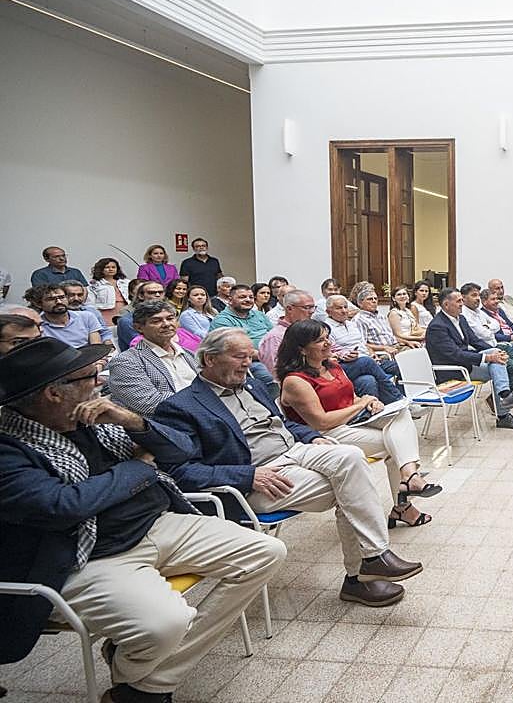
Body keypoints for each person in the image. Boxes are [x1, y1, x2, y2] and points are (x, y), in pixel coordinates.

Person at [0, 337, 286, 702]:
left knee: (267, 551)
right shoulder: (10, 449)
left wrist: (130, 419)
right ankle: (146, 674)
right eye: (89, 376)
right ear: (53, 394)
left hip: (157, 523)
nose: (101, 382)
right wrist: (138, 468)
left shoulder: (97, 421)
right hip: (89, 555)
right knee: (165, 622)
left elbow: (181, 450)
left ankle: (144, 681)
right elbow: (63, 505)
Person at [151, 328, 422, 607]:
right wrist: (249, 476)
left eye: (249, 356)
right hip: (258, 475)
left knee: (351, 456)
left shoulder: (253, 386)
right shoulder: (181, 407)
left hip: (294, 450)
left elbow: (283, 423)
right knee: (354, 489)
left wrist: (313, 437)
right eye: (238, 357)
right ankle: (363, 572)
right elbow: (181, 472)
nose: (247, 363)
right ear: (209, 359)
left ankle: (371, 563)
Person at [276, 320, 440, 528]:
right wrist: (362, 402)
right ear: (301, 349)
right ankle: (406, 496)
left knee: (400, 414)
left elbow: (351, 396)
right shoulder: (295, 381)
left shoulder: (333, 367)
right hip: (324, 435)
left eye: (327, 338)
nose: (327, 343)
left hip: (354, 421)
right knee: (396, 444)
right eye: (319, 341)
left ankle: (409, 478)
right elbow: (321, 420)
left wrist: (371, 402)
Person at [426, 287, 513, 429]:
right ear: (446, 305)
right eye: (458, 301)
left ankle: (504, 399)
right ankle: (504, 406)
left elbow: (475, 341)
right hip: (453, 371)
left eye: (462, 300)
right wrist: (487, 357)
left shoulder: (460, 318)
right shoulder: (437, 326)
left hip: (465, 364)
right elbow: (455, 354)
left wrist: (496, 352)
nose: (462, 304)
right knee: (496, 364)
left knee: (497, 360)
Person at [108, 301, 199, 416]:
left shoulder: (188, 354)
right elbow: (149, 403)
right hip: (165, 424)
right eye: (156, 321)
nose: (166, 324)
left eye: (170, 318)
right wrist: (202, 399)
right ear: (139, 327)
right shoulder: (125, 361)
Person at [324, 295, 404, 401]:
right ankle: (399, 399)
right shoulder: (326, 328)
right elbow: (329, 352)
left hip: (368, 360)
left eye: (345, 307)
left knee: (398, 367)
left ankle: (392, 405)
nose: (344, 311)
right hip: (346, 364)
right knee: (367, 363)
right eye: (339, 308)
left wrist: (371, 352)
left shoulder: (351, 324)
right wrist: (344, 356)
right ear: (328, 312)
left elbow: (363, 343)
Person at [208, 284, 275, 384]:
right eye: (242, 297)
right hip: (247, 362)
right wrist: (267, 355)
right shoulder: (222, 320)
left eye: (251, 297)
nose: (248, 300)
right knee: (271, 377)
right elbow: (234, 350)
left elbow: (274, 336)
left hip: (272, 357)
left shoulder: (259, 315)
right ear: (230, 300)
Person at [29, 284, 103, 347]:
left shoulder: (87, 316)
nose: (59, 302)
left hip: (90, 358)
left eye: (62, 297)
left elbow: (96, 347)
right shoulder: (37, 326)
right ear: (38, 304)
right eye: (51, 299)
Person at [352, 287, 412, 354]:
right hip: (382, 352)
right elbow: (362, 344)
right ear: (360, 303)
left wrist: (407, 342)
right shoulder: (359, 320)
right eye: (370, 299)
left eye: (375, 299)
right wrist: (384, 348)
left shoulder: (381, 316)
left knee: (417, 352)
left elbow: (391, 337)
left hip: (395, 346)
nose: (374, 301)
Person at [117, 280, 164, 352]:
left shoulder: (167, 316)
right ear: (141, 296)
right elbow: (142, 347)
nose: (157, 295)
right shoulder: (127, 321)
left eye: (160, 292)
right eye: (151, 292)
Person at [63, 280, 114, 345]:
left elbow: (104, 332)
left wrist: (108, 343)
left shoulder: (91, 311)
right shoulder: (57, 314)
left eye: (80, 295)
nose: (76, 298)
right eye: (71, 295)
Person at [89, 257, 131, 327]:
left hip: (124, 311)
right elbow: (91, 303)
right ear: (101, 269)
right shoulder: (95, 284)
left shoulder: (126, 282)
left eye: (113, 267)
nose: (111, 269)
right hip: (105, 313)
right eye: (107, 267)